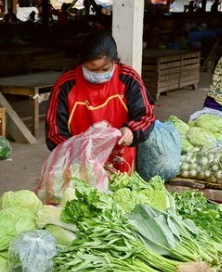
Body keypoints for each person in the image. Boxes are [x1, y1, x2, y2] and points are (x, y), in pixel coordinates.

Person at [46, 31, 156, 174]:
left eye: (105, 69)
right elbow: (54, 133)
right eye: (92, 69)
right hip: (79, 166)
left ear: (115, 61)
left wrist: (131, 131)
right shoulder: (66, 85)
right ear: (82, 62)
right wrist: (84, 157)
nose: (99, 74)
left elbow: (146, 115)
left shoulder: (128, 78)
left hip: (121, 162)